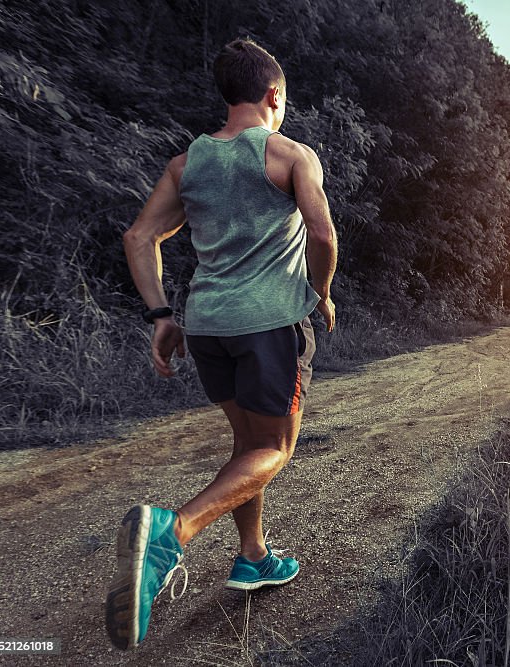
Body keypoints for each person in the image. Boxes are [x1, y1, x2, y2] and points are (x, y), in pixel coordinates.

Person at [106, 37, 338, 650]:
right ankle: (170, 534)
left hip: (206, 324)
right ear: (274, 95)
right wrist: (320, 291)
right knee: (275, 449)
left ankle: (253, 557)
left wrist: (161, 315)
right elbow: (322, 232)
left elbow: (139, 237)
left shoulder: (188, 165)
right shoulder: (290, 155)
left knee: (246, 443)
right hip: (268, 325)